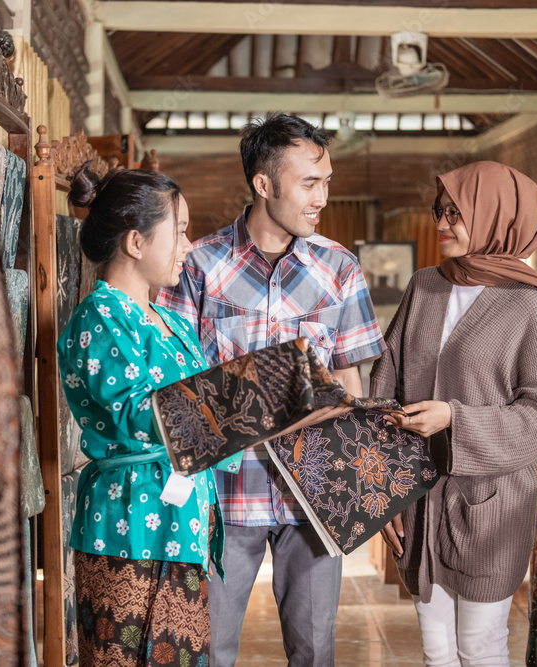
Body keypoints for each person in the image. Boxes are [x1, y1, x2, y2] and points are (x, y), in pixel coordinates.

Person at [158, 113, 386, 667]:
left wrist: (360, 491)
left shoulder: (340, 269)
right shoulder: (202, 267)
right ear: (264, 184)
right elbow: (174, 385)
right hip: (223, 498)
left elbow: (353, 382)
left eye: (327, 182)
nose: (322, 198)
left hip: (313, 498)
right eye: (310, 183)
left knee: (314, 653)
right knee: (208, 651)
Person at [372, 161, 537, 666]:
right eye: (440, 212)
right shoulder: (424, 286)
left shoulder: (527, 303)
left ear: (496, 216)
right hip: (420, 500)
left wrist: (454, 417)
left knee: (480, 647)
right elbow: (387, 381)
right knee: (436, 649)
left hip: (490, 506)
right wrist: (384, 487)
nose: (443, 224)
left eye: (457, 213)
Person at [58, 164, 246, 666]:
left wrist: (253, 407)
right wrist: (247, 400)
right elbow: (144, 413)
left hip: (180, 527)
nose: (190, 245)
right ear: (137, 242)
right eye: (181, 231)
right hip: (127, 526)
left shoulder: (170, 320)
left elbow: (207, 406)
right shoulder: (99, 317)